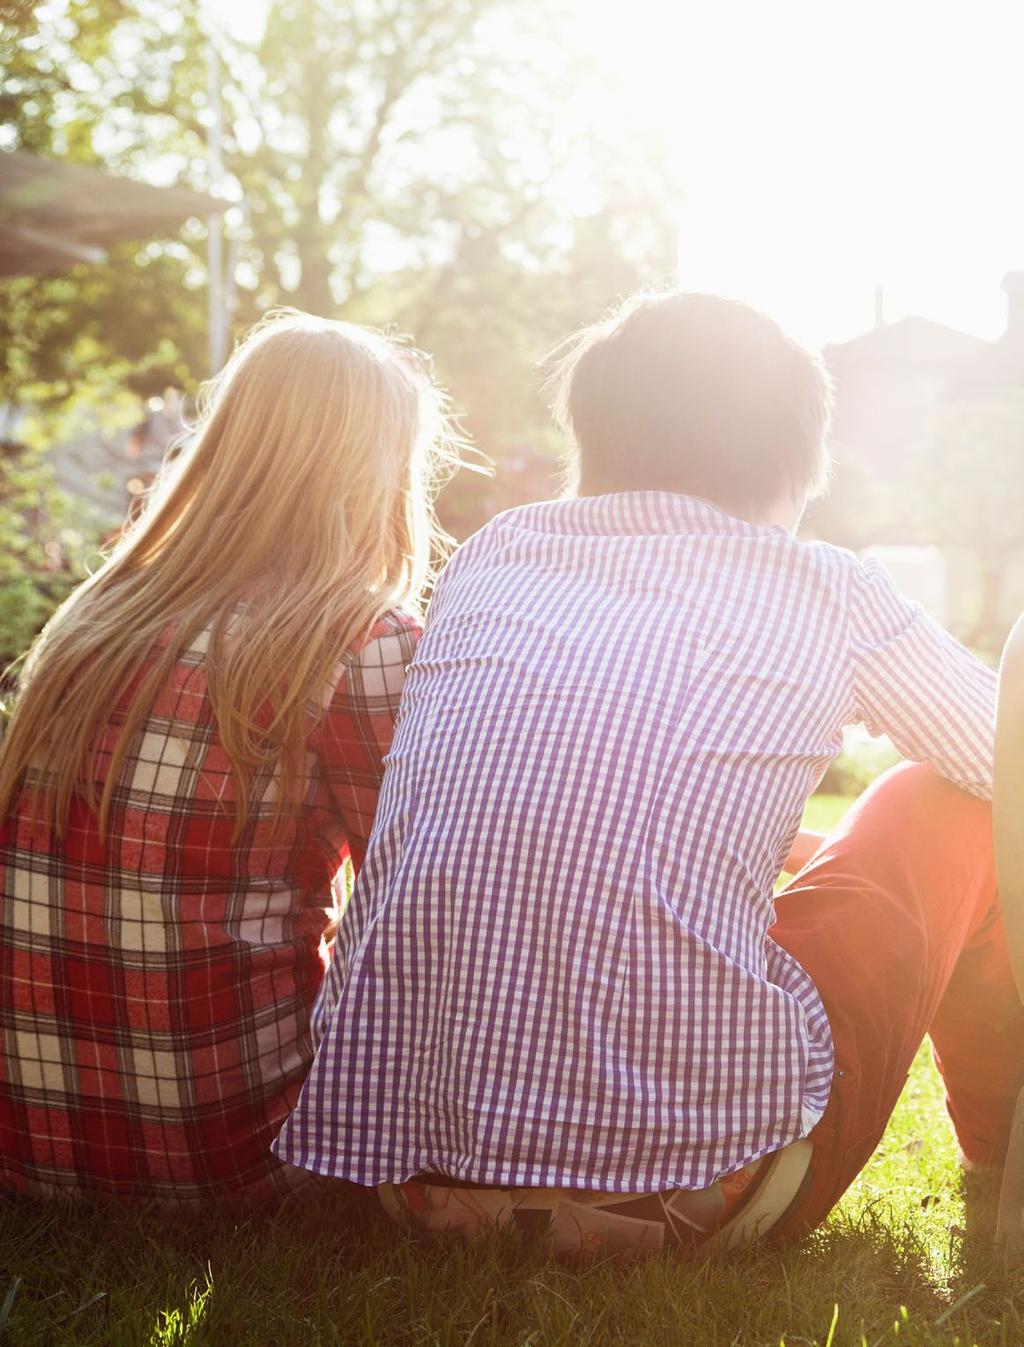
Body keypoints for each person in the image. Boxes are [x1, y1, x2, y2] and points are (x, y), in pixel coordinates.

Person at [274, 290, 1024, 1258]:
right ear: (798, 461)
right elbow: (1002, 752)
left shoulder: (493, 558)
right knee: (952, 804)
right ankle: (1000, 1155)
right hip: (686, 1194)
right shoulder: (823, 584)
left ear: (590, 445)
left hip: (411, 1185)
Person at [0, 310, 454, 1204]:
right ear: (379, 469)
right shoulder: (359, 640)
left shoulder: (97, 617)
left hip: (21, 1141)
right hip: (232, 1154)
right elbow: (419, 913)